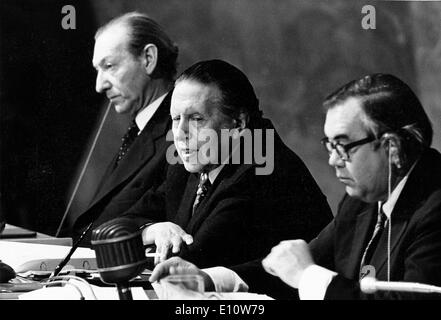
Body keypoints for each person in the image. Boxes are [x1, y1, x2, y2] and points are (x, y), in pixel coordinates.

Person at [150, 73, 441, 300]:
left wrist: (307, 276)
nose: (332, 161)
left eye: (343, 146)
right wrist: (209, 279)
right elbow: (291, 265)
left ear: (391, 147)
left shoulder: (435, 208)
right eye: (328, 145)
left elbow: (305, 270)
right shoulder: (362, 199)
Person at [128, 59, 332, 269]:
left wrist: (138, 238)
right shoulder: (195, 159)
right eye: (176, 118)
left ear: (238, 124)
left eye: (196, 119)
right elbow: (115, 225)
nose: (179, 134)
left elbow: (189, 264)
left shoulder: (262, 170)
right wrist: (152, 230)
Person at [70, 12, 179, 245]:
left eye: (109, 66)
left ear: (148, 59)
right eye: (98, 70)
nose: (100, 85)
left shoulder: (181, 135)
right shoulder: (139, 130)